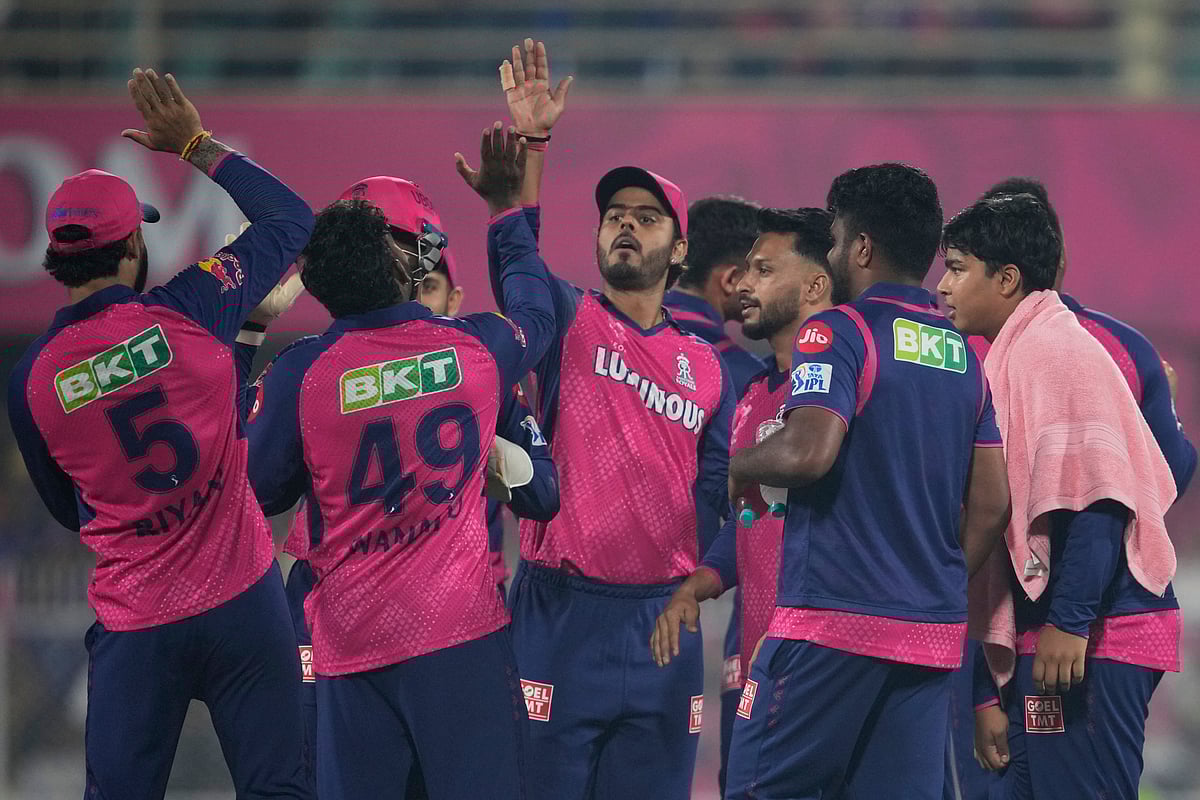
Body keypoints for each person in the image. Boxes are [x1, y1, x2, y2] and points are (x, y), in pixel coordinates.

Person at [7, 68, 314, 799]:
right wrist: (197, 146)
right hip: (244, 603)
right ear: (128, 251)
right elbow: (292, 221)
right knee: (281, 790)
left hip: (138, 622)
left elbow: (65, 504)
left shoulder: (31, 378)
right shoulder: (191, 306)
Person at [244, 124, 556, 799]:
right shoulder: (481, 350)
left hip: (350, 648)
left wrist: (248, 333)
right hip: (463, 640)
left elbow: (261, 490)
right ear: (404, 256)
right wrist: (507, 212)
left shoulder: (302, 374)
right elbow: (538, 308)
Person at [712, 163, 1011, 800]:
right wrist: (932, 582)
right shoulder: (963, 356)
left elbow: (809, 451)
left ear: (861, 248)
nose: (834, 252)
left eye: (838, 238)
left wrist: (733, 466)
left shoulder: (839, 330)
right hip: (930, 636)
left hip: (830, 625)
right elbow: (990, 506)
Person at [496, 39, 734, 799]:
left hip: (661, 623)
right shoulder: (567, 317)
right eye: (615, 217)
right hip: (560, 614)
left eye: (647, 218)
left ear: (680, 247)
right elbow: (517, 264)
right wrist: (534, 145)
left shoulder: (708, 365)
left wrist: (699, 580)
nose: (626, 227)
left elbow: (722, 488)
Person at [943, 177, 1196, 800]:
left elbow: (1108, 497)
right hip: (1051, 625)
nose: (942, 287)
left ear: (1007, 278)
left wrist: (1073, 621)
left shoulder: (1061, 351)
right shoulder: (1013, 350)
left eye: (956, 269)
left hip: (1095, 629)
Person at [650, 207, 835, 796]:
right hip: (760, 653)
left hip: (828, 655)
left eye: (763, 269)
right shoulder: (753, 391)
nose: (744, 284)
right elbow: (750, 516)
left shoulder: (851, 390)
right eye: (745, 268)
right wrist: (699, 583)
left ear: (814, 284)